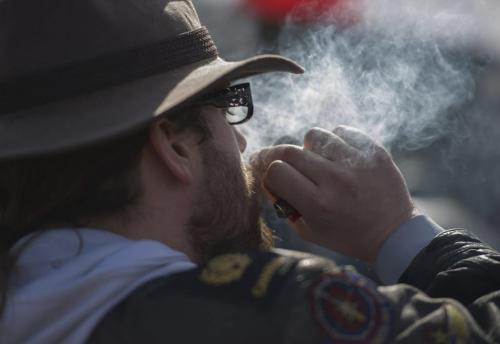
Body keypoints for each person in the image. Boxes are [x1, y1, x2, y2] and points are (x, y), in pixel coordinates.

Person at [0, 0, 499, 343]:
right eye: (230, 105)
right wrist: (401, 234)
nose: (241, 140)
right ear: (173, 143)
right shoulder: (277, 312)